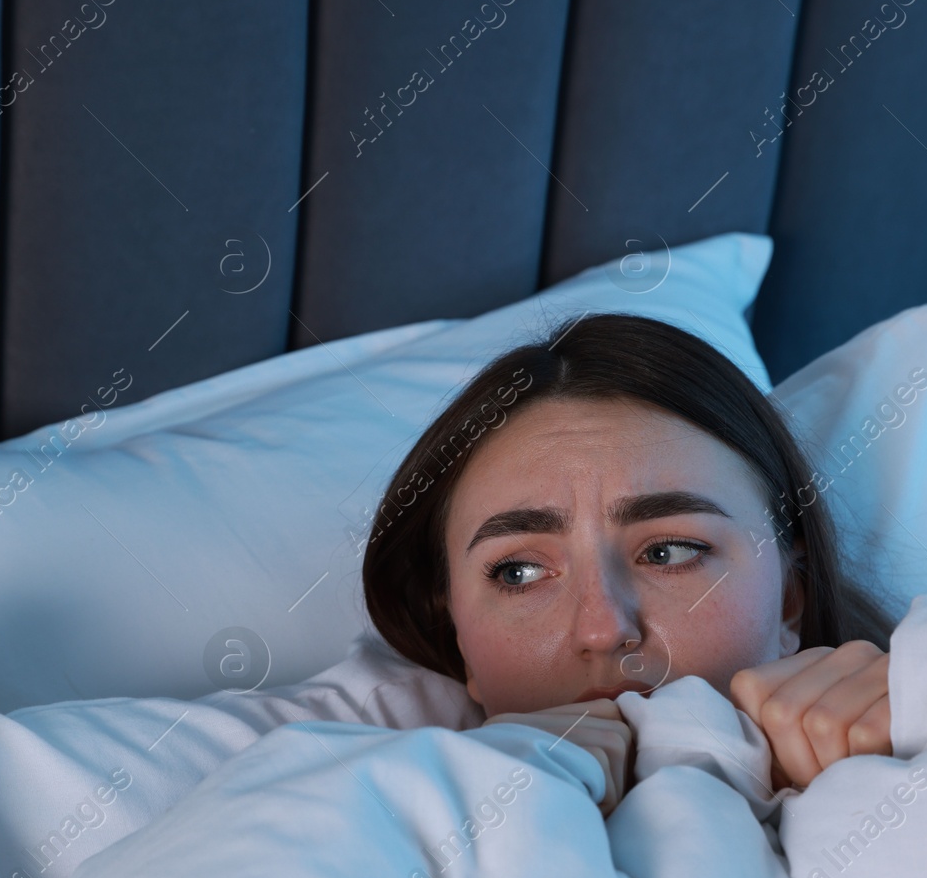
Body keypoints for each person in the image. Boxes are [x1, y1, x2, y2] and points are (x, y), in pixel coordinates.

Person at [362, 312, 898, 813]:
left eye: (668, 553)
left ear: (789, 599)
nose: (602, 630)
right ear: (459, 639)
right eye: (518, 573)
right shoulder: (362, 799)